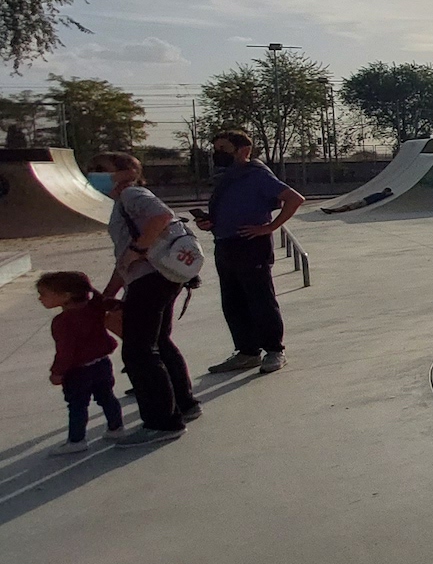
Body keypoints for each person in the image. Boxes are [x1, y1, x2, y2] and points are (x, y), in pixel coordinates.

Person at [95, 151, 199, 442]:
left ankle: (163, 423)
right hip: (156, 277)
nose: (95, 175)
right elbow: (124, 259)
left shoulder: (132, 194)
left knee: (139, 350)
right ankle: (185, 403)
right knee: (158, 343)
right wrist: (110, 292)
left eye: (102, 169)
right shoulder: (125, 201)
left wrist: (139, 250)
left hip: (150, 279)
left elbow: (162, 217)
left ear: (127, 171)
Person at [193, 130, 305, 375]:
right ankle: (247, 352)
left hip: (251, 245)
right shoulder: (225, 178)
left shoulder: (256, 175)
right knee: (233, 302)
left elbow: (295, 199)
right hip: (225, 243)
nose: (217, 154)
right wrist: (209, 222)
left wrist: (270, 227)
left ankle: (274, 350)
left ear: (243, 151)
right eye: (216, 149)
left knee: (260, 299)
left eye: (224, 149)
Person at [37, 270, 124, 455]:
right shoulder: (94, 308)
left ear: (66, 296)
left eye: (44, 294)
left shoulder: (62, 321)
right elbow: (105, 301)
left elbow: (66, 351)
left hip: (78, 371)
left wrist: (57, 372)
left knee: (77, 405)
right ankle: (116, 428)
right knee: (107, 396)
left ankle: (77, 440)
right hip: (102, 363)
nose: (40, 298)